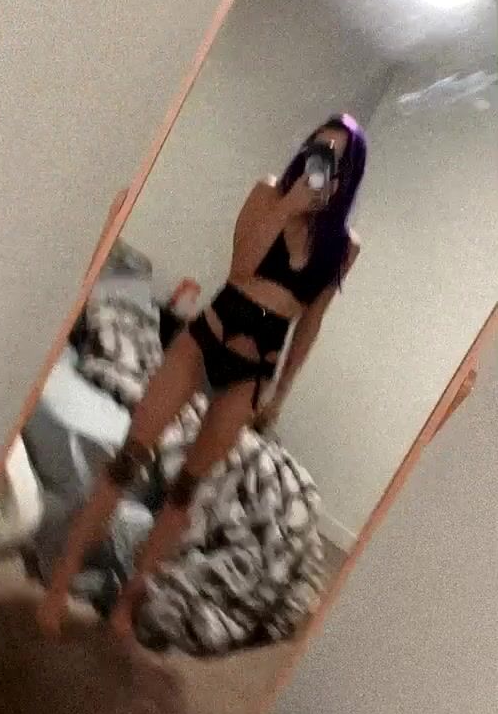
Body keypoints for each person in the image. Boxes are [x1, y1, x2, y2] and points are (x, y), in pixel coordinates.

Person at [39, 113, 367, 638]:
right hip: (207, 338)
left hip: (255, 368)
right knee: (128, 459)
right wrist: (288, 207)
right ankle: (59, 585)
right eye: (318, 149)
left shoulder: (343, 246)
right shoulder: (268, 194)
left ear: (349, 174)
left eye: (335, 158)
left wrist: (281, 392)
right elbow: (242, 269)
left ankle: (127, 606)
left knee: (187, 488)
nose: (322, 163)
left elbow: (311, 322)